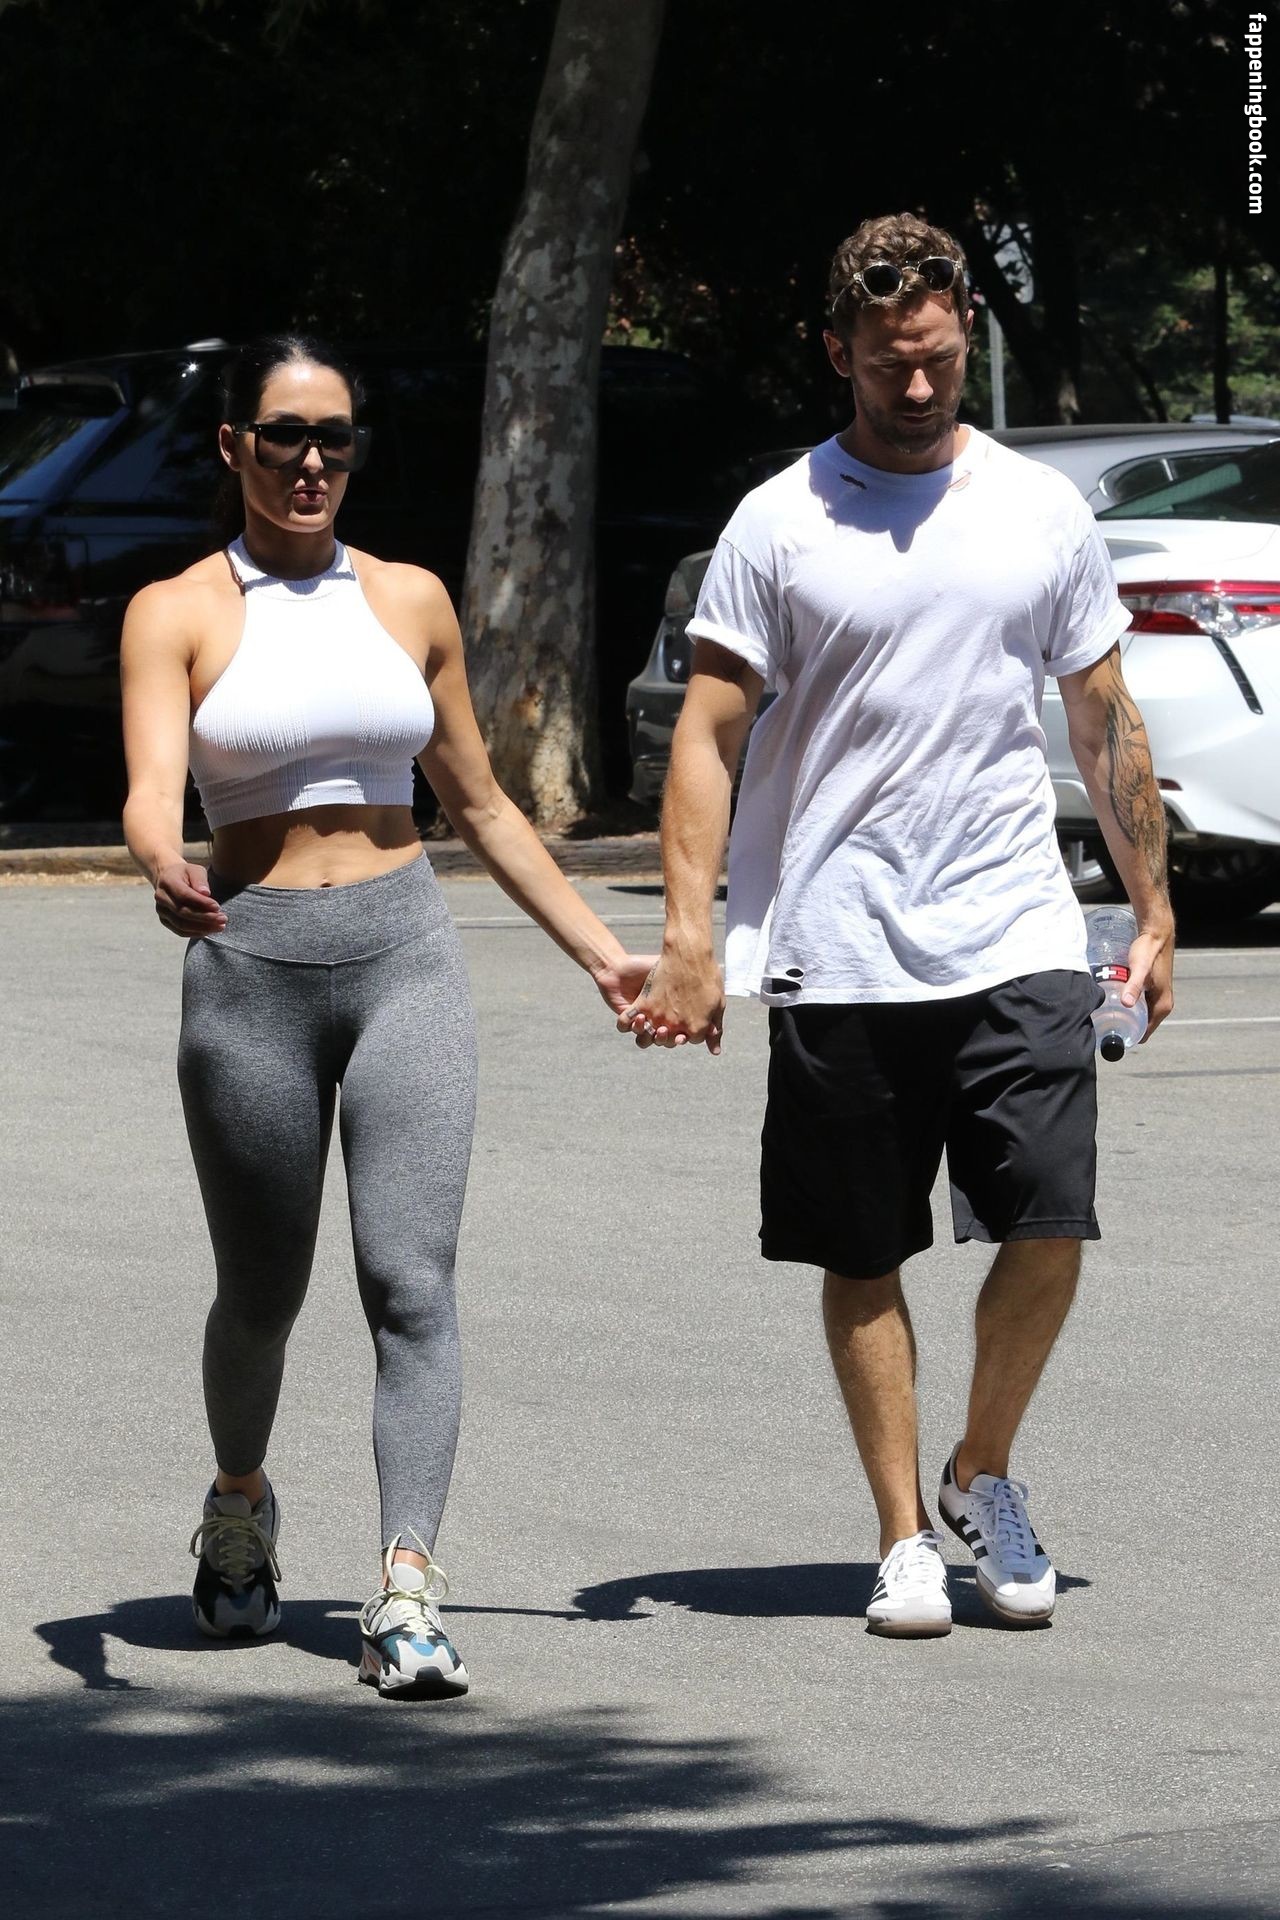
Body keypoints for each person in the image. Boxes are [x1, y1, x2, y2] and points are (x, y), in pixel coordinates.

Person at [619, 214, 1175, 1637]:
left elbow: (1102, 716)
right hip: (840, 935)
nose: (916, 388)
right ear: (837, 352)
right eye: (886, 365)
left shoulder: (1040, 511)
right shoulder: (779, 522)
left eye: (935, 358)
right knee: (862, 1248)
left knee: (1050, 1217)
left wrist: (1153, 907)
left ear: (964, 331)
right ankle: (900, 1537)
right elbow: (708, 736)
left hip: (1017, 927)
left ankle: (981, 1471)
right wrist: (692, 936)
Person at [120, 333, 652, 1696]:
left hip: (404, 957)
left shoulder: (410, 599)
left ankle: (407, 1585)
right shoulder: (177, 610)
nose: (312, 462)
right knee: (262, 1294)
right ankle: (240, 1502)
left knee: (411, 1284)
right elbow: (151, 790)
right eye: (285, 436)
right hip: (251, 966)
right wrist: (162, 860)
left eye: (335, 438)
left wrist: (605, 955)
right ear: (235, 445)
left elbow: (481, 805)